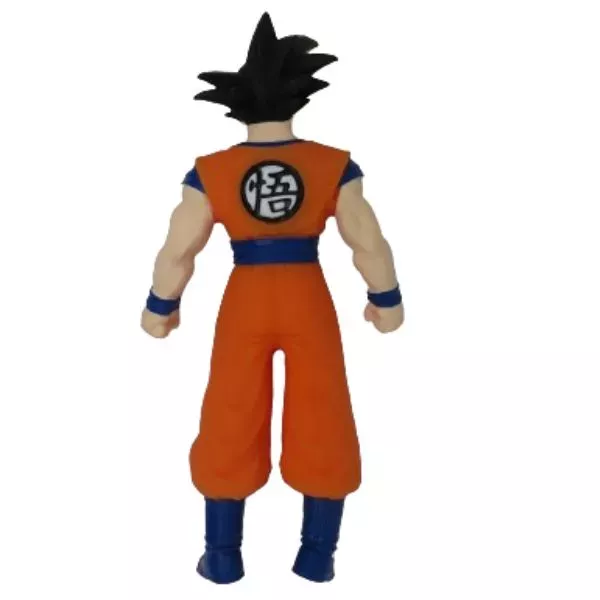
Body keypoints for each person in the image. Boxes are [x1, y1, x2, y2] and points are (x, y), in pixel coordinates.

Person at [141, 12, 404, 584]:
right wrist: (386, 299)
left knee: (230, 407)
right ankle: (318, 555)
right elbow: (367, 239)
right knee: (324, 407)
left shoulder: (211, 171)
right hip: (308, 293)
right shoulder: (334, 165)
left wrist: (161, 306)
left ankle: (222, 554)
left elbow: (178, 249)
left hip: (246, 298)